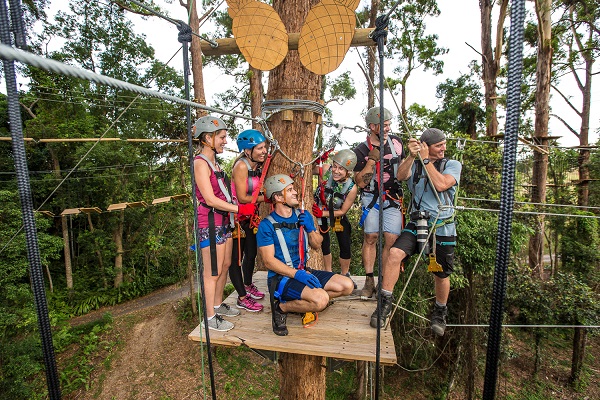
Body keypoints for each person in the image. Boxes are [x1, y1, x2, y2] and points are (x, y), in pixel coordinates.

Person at [370, 128, 461, 337]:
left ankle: (440, 312)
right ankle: (384, 303)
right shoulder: (416, 165)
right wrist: (412, 157)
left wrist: (426, 160)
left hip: (442, 225)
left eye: (444, 144)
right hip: (417, 221)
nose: (444, 148)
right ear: (427, 146)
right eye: (439, 145)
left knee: (441, 273)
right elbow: (400, 176)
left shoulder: (452, 165)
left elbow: (441, 185)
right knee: (394, 254)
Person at [256, 174, 355, 336]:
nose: (295, 192)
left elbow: (317, 244)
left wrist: (310, 228)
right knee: (321, 300)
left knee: (347, 286)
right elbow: (268, 261)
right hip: (282, 278)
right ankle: (281, 308)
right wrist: (297, 274)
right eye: (290, 190)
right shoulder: (266, 225)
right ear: (278, 197)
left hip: (303, 271)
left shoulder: (303, 215)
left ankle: (305, 302)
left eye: (294, 188)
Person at [193, 116, 257, 332]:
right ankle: (209, 317)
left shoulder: (214, 163)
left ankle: (217, 306)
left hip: (224, 222)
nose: (225, 141)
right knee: (211, 272)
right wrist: (240, 209)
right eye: (221, 137)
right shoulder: (200, 163)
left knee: (225, 266)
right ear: (207, 138)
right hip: (210, 224)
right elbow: (209, 199)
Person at [352, 106, 415, 298]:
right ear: (372, 126)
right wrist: (371, 161)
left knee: (391, 239)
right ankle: (369, 280)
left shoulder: (397, 143)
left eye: (388, 125)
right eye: (383, 125)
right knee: (370, 237)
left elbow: (404, 172)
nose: (387, 128)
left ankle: (384, 281)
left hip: (393, 197)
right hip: (371, 197)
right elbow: (360, 182)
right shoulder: (361, 150)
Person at [229, 129, 269, 313]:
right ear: (247, 151)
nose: (264, 151)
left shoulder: (257, 166)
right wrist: (267, 197)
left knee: (251, 253)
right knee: (237, 259)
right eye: (259, 148)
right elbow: (243, 197)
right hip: (237, 219)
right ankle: (241, 297)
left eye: (265, 147)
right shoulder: (241, 166)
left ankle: (247, 284)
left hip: (250, 217)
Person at [312, 149, 359, 286]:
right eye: (335, 166)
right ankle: (328, 273)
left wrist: (324, 213)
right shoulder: (326, 169)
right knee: (324, 244)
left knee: (345, 243)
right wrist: (317, 159)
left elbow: (343, 211)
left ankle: (345, 274)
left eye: (341, 169)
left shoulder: (351, 188)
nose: (336, 171)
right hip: (320, 211)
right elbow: (309, 168)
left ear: (348, 172)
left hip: (335, 214)